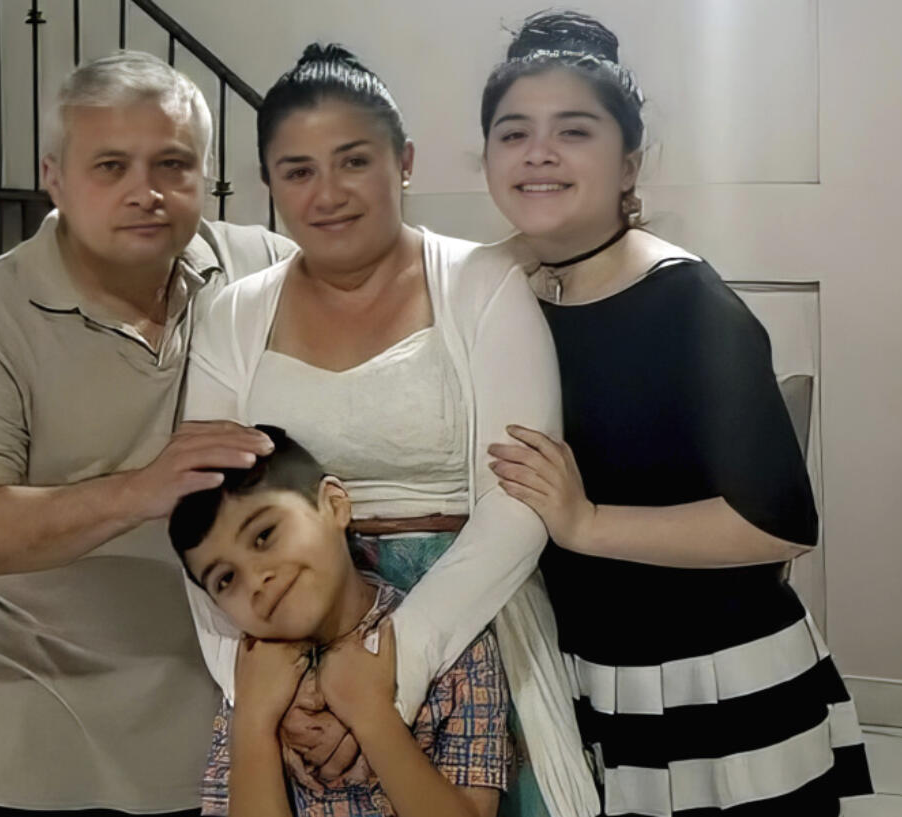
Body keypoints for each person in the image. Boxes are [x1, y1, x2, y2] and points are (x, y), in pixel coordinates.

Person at [183, 44, 597, 817]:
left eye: (353, 161)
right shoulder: (230, 314)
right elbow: (198, 517)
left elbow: (522, 498)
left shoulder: (483, 282)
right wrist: (266, 689)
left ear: (402, 161)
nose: (327, 193)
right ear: (270, 184)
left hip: (466, 619)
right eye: (297, 171)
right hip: (283, 628)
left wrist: (392, 671)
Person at [480, 11, 874, 816]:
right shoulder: (517, 293)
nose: (538, 153)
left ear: (629, 163)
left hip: (714, 678)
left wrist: (585, 522)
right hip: (587, 675)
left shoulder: (685, 300)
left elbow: (780, 523)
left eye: (573, 131)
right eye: (513, 133)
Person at [0, 51, 295, 816]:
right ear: (54, 175)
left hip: (255, 721)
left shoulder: (258, 267)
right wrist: (144, 489)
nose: (144, 192)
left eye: (173, 164)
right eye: (111, 165)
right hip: (59, 738)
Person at [169, 426, 510, 817]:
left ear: (333, 505)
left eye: (264, 535)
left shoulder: (458, 650)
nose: (257, 581)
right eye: (226, 579)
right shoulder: (251, 675)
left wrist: (372, 714)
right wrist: (253, 722)